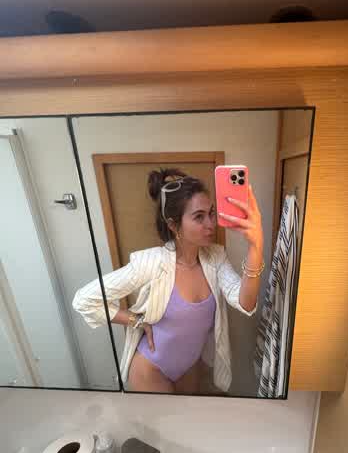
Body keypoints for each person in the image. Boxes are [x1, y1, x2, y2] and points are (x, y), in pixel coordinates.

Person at [73, 167, 264, 394]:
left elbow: (246, 303)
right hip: (150, 370)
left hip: (190, 366)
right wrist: (135, 320)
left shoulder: (216, 257)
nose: (211, 224)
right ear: (174, 225)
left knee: (186, 415)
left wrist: (256, 246)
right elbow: (84, 300)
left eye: (211, 213)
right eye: (199, 217)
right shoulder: (152, 263)